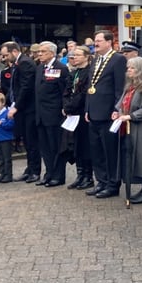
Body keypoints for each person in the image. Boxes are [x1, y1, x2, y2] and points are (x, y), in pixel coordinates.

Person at [85, 30, 127, 199]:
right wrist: (87, 108)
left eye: (99, 41)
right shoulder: (96, 59)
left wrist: (117, 109)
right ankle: (101, 181)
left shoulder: (118, 59)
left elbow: (119, 87)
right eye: (95, 40)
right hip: (94, 111)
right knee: (96, 151)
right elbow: (91, 85)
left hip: (108, 113)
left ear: (109, 42)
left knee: (110, 151)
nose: (96, 43)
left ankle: (112, 183)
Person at [114, 56, 142, 204]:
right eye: (128, 68)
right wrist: (117, 111)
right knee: (132, 156)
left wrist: (131, 116)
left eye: (132, 68)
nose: (129, 71)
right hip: (128, 126)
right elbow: (123, 101)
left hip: (141, 127)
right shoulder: (130, 85)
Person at [1, 41, 41, 183]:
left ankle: (35, 171)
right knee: (26, 140)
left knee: (31, 141)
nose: (4, 58)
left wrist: (16, 106)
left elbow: (26, 87)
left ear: (14, 51)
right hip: (22, 108)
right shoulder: (18, 63)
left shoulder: (25, 63)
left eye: (6, 55)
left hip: (28, 109)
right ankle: (29, 169)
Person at [35, 41, 70, 187]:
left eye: (43, 51)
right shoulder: (40, 68)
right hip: (40, 115)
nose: (40, 54)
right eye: (39, 51)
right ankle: (49, 173)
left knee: (56, 146)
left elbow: (65, 92)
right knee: (45, 147)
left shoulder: (61, 68)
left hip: (54, 115)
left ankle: (58, 175)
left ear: (52, 53)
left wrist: (64, 109)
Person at [62, 45, 93, 190]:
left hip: (81, 112)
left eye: (78, 55)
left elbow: (82, 94)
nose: (75, 57)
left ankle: (88, 176)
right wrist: (66, 106)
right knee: (75, 145)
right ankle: (80, 175)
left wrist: (71, 107)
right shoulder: (74, 72)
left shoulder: (89, 73)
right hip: (72, 113)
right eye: (74, 55)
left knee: (84, 145)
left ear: (86, 56)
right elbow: (68, 90)